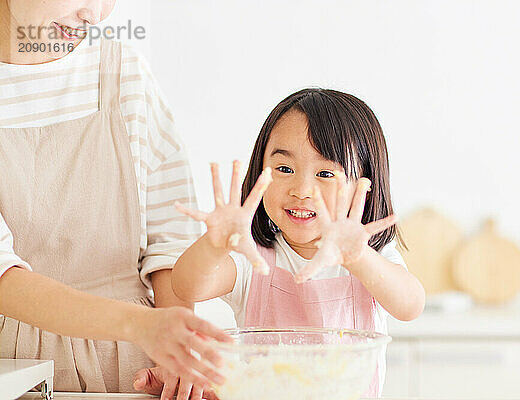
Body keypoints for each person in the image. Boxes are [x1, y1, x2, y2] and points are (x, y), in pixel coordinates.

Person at [0, 1, 228, 398]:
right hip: (15, 369)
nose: (96, 14)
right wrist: (140, 326)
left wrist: (176, 356)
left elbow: (171, 240)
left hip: (136, 367)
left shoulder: (124, 72)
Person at [172, 88, 426, 398]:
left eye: (325, 173)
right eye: (284, 169)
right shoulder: (253, 258)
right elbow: (187, 286)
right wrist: (215, 244)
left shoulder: (370, 258)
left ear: (365, 185)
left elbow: (411, 305)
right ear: (258, 174)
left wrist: (357, 257)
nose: (302, 189)